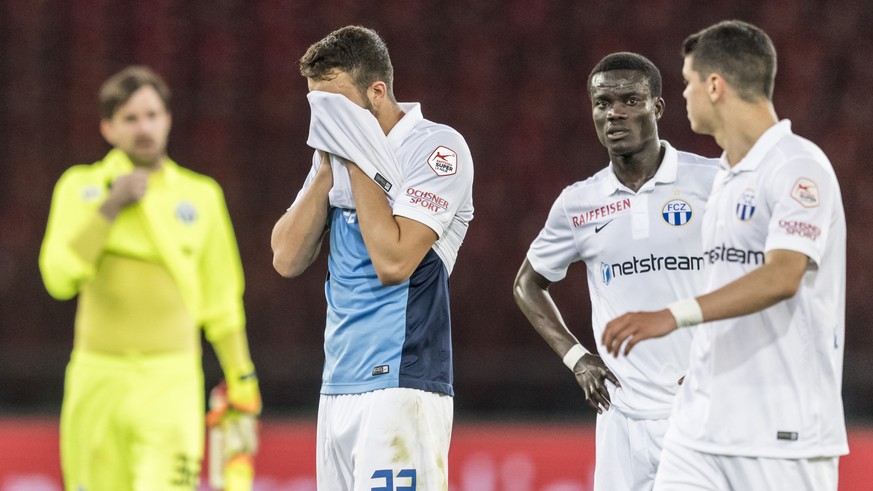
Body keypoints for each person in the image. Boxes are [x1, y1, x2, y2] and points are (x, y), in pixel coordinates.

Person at [601, 20, 848, 491]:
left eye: (689, 83)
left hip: (780, 433)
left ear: (715, 85)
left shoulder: (797, 166)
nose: (685, 95)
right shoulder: (727, 179)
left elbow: (783, 275)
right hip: (702, 425)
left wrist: (673, 316)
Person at [271, 26, 474, 490]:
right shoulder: (334, 160)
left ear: (377, 92)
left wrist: (358, 158)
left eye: (336, 107)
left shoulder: (437, 150)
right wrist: (326, 167)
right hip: (338, 384)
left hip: (402, 383)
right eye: (317, 108)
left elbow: (394, 262)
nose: (326, 121)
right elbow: (285, 257)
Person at [39, 66, 261, 490]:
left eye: (152, 115)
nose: (144, 128)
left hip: (171, 383)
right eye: (130, 118)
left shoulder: (201, 196)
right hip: (96, 379)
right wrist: (109, 207)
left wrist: (242, 379)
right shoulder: (79, 188)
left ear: (168, 119)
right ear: (107, 128)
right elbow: (59, 277)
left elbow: (221, 299)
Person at [513, 52, 718, 490]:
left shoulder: (712, 181)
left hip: (703, 408)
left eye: (629, 100)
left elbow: (759, 277)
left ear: (657, 107)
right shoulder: (579, 202)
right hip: (621, 420)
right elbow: (527, 284)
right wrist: (577, 358)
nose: (614, 113)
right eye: (602, 102)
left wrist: (723, 354)